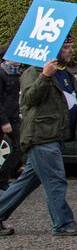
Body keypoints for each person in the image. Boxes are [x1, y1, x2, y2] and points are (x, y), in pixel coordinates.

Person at [0, 41, 77, 236]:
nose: (71, 51)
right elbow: (28, 99)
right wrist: (45, 75)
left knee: (25, 183)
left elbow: (74, 100)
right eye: (66, 47)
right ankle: (63, 224)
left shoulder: (66, 74)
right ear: (54, 51)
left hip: (54, 134)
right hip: (41, 135)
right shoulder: (33, 72)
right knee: (56, 180)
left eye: (71, 46)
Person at [0, 59, 25, 191]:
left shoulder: (16, 73)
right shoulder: (2, 73)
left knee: (20, 147)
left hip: (14, 117)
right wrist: (4, 121)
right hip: (4, 118)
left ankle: (3, 179)